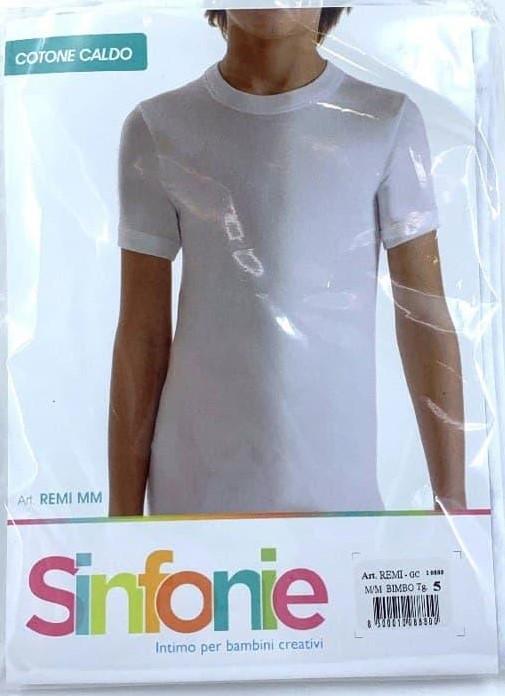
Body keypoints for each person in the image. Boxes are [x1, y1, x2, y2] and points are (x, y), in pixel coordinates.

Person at [108, 7, 466, 516]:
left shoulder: (385, 122)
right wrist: (121, 523)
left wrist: (452, 506)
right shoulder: (158, 127)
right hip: (194, 506)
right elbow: (141, 335)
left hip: (339, 507)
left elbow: (425, 316)